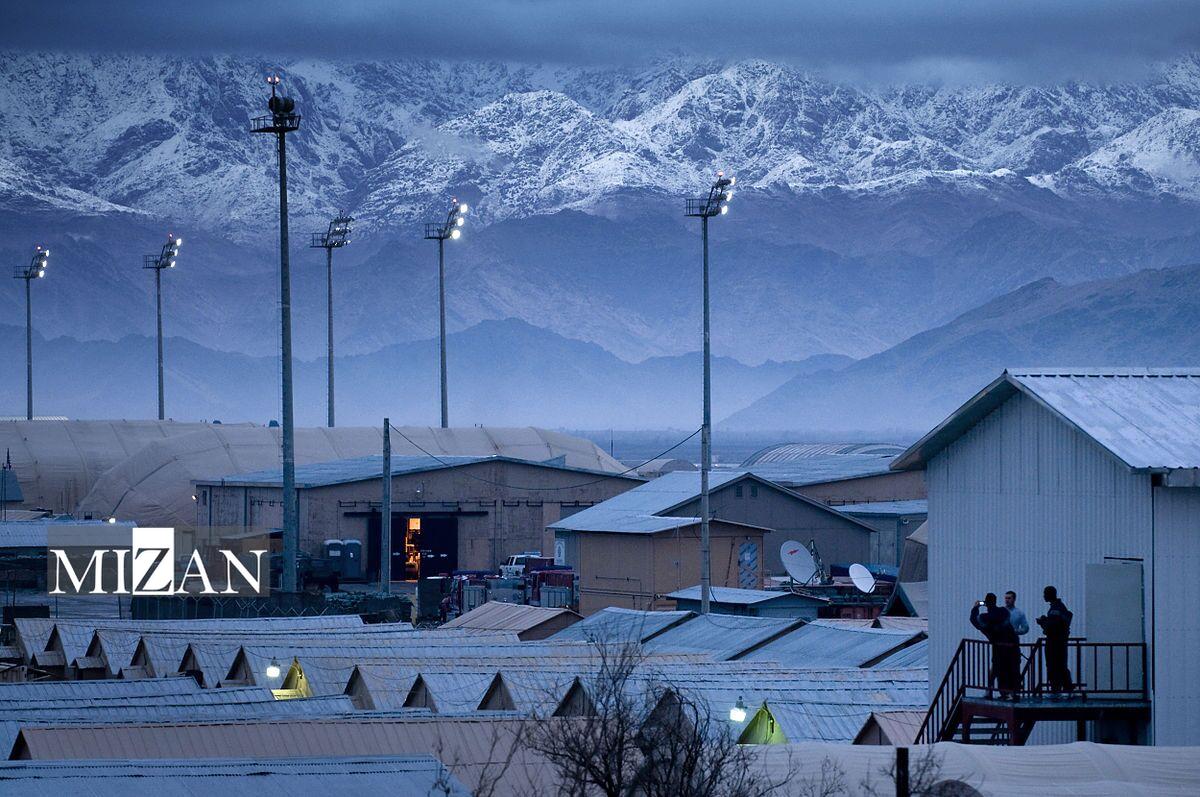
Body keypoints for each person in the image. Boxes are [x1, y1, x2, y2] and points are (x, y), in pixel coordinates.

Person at [970, 593, 1022, 700]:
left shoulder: (985, 617)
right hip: (1013, 646)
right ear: (995, 601)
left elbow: (974, 620)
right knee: (1012, 669)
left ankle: (996, 692)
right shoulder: (1004, 611)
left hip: (999, 647)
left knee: (997, 669)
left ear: (986, 603)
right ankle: (1013, 693)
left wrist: (976, 608)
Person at [1037, 585, 1074, 697]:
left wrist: (1043, 623)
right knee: (1061, 665)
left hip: (1054, 643)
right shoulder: (1060, 607)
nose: (1043, 596)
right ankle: (1067, 688)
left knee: (1053, 666)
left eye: (1045, 593)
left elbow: (1052, 628)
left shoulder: (1054, 609)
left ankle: (1055, 690)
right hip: (1061, 642)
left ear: (1050, 594)